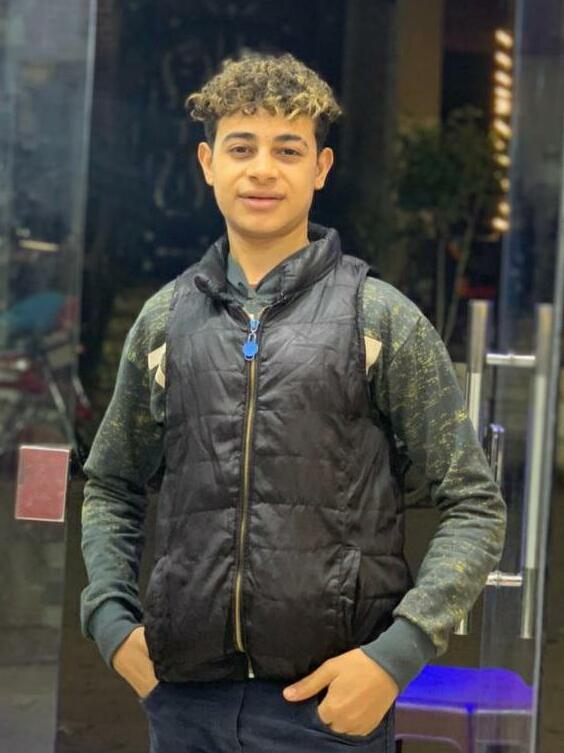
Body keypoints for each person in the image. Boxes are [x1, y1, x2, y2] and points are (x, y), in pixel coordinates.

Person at [79, 50, 507, 753]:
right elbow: (111, 484)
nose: (262, 170)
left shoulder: (378, 318)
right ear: (207, 163)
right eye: (241, 147)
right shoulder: (164, 322)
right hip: (184, 706)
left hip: (330, 709)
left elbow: (474, 503)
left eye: (288, 149)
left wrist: (394, 657)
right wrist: (111, 623)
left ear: (321, 167)